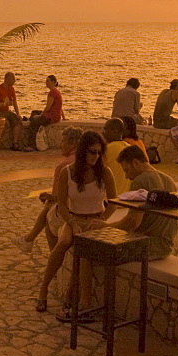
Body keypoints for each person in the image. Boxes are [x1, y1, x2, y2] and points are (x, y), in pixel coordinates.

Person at [35, 131, 117, 319]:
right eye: (91, 152)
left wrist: (102, 220)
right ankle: (44, 289)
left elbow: (114, 202)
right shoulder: (68, 172)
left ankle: (81, 302)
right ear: (82, 152)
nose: (95, 156)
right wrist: (72, 221)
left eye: (98, 152)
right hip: (73, 218)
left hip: (95, 220)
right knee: (63, 242)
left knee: (84, 248)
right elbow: (62, 205)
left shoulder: (105, 172)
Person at [13, 126, 84, 253]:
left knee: (49, 213)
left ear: (72, 143)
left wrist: (48, 196)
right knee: (50, 206)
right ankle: (28, 239)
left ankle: (52, 254)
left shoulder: (64, 166)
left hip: (73, 212)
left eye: (63, 141)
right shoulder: (89, 160)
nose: (61, 145)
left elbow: (59, 197)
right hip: (88, 208)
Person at [111, 145, 178, 259]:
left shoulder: (140, 181)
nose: (127, 176)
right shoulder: (170, 181)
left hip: (145, 247)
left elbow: (133, 222)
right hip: (165, 247)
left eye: (126, 170)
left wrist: (107, 227)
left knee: (91, 248)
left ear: (136, 163)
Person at [22, 75, 63, 151]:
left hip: (51, 117)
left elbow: (48, 107)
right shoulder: (57, 92)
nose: (46, 83)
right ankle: (29, 118)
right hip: (55, 115)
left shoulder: (52, 92)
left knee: (34, 123)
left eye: (48, 81)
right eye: (46, 81)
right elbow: (60, 107)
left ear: (53, 82)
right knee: (34, 112)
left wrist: (40, 116)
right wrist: (63, 117)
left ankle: (31, 146)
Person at [0, 72, 22, 150]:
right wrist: (4, 104)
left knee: (17, 120)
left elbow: (14, 102)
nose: (14, 81)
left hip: (6, 112)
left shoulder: (11, 89)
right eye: (13, 79)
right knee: (4, 123)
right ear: (8, 79)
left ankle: (15, 143)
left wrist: (18, 114)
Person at [102, 117, 132, 192]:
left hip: (110, 197)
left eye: (106, 129)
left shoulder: (107, 149)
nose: (103, 132)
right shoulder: (130, 148)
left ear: (115, 131)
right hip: (126, 197)